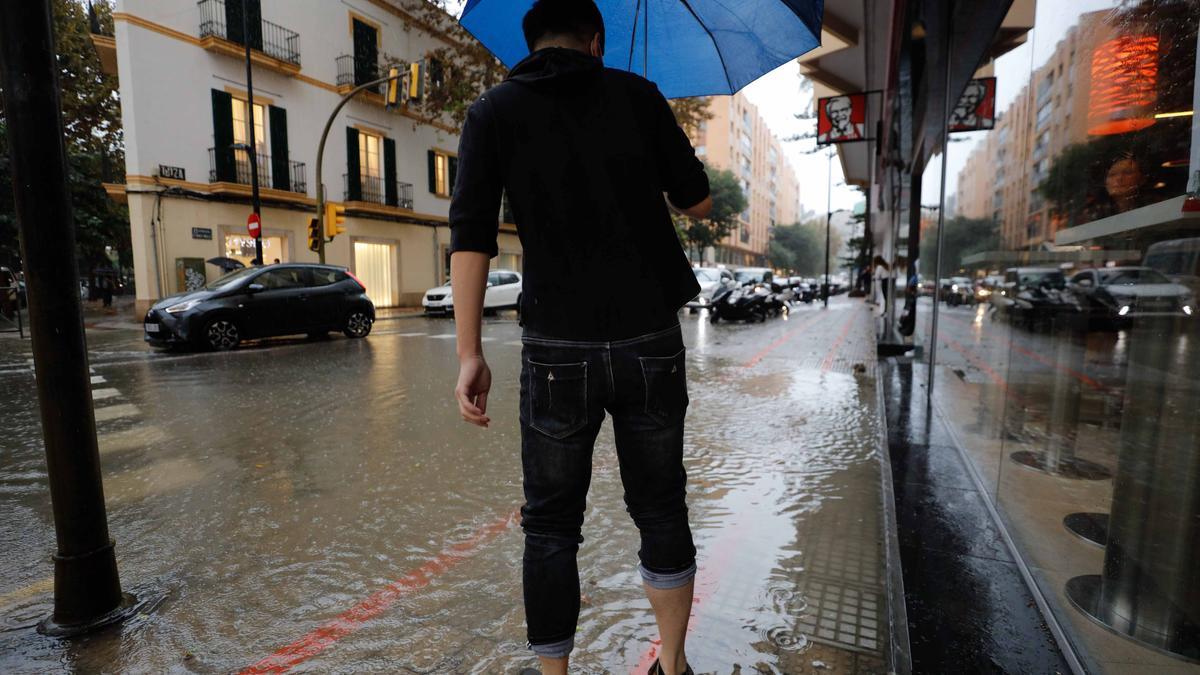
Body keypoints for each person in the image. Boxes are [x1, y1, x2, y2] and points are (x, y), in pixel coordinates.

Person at [447, 2, 712, 674]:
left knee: (551, 525)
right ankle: (673, 664)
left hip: (557, 346)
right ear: (596, 41)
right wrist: (643, 140)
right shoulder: (638, 94)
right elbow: (698, 200)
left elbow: (471, 235)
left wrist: (469, 353)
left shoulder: (493, 112)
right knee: (660, 504)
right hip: (649, 334)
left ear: (529, 43)